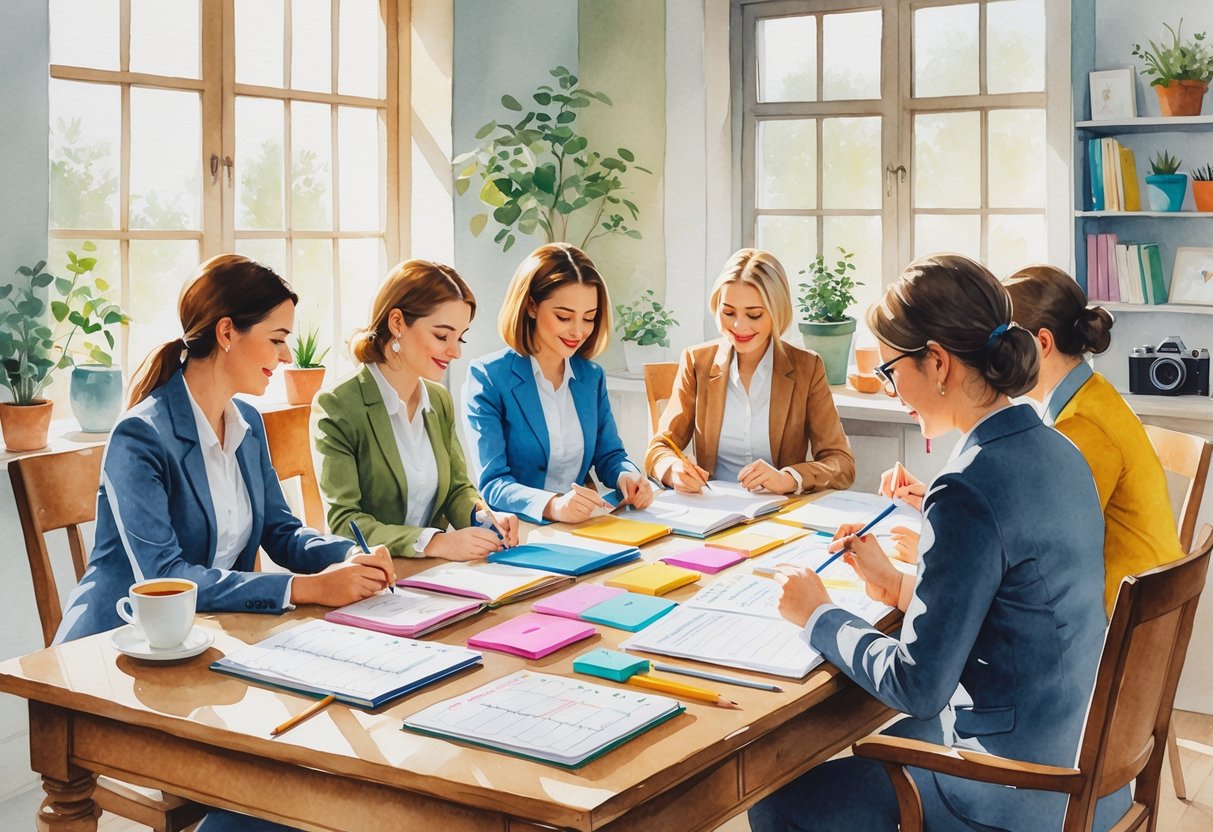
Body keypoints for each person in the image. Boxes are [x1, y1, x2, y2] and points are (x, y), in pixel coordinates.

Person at [753, 254, 1129, 832]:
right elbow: (1016, 610)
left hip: (1024, 789)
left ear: (937, 362)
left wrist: (818, 615)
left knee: (777, 799)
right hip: (1093, 768)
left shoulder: (965, 487)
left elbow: (918, 685)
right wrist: (899, 587)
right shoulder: (1060, 448)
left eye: (890, 370)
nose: (891, 389)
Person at [52, 254, 395, 832]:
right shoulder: (141, 434)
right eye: (278, 339)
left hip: (212, 647)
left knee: (334, 761)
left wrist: (345, 557)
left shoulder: (246, 423)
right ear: (227, 332)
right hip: (121, 660)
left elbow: (280, 531)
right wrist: (306, 589)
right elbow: (164, 576)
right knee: (292, 780)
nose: (287, 356)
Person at [313, 260, 518, 559]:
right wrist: (434, 542)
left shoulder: (438, 400)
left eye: (460, 337)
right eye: (442, 336)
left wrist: (484, 517)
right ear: (397, 323)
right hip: (374, 579)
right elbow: (345, 522)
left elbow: (457, 489)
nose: (456, 351)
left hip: (434, 573)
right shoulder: (337, 405)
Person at [1005, 264, 1181, 609]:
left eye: (1005, 346)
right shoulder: (1091, 393)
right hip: (1139, 605)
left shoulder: (1082, 426)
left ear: (1042, 343)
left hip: (1122, 625)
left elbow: (1046, 546)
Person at [463, 243, 653, 524]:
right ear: (531, 306)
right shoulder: (488, 377)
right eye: (564, 317)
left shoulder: (591, 377)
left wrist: (628, 475)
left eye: (588, 318)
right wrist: (553, 505)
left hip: (583, 527)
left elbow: (610, 455)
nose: (578, 331)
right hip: (521, 531)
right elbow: (493, 483)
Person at [643, 248, 854, 495]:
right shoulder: (696, 362)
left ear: (777, 312)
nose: (738, 326)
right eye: (728, 312)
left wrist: (789, 478)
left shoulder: (807, 368)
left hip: (779, 515)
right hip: (712, 513)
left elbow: (841, 464)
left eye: (754, 315)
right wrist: (673, 468)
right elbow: (659, 448)